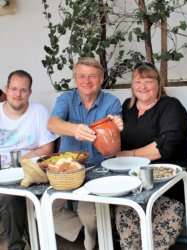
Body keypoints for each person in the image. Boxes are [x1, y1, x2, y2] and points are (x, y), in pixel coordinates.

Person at [114, 62, 187, 249]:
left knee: (157, 237)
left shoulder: (171, 106)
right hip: (135, 183)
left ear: (158, 84)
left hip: (170, 182)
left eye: (149, 80)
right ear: (132, 86)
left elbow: (163, 146)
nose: (143, 86)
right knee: (128, 229)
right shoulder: (127, 107)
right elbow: (116, 141)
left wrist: (129, 155)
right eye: (137, 81)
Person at [47, 57, 123, 250]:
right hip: (68, 171)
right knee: (44, 210)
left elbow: (115, 141)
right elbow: (52, 123)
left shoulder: (111, 102)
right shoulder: (66, 98)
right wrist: (73, 129)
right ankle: (83, 231)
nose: (86, 81)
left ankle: (91, 232)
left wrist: (117, 127)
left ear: (101, 79)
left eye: (92, 76)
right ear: (75, 79)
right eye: (81, 76)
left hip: (99, 170)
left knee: (90, 215)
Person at [0, 70, 58, 250]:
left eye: (23, 90)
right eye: (14, 89)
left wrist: (16, 161)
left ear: (30, 93)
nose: (18, 94)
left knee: (9, 197)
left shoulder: (38, 111)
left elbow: (47, 149)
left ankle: (15, 247)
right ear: (6, 89)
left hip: (28, 171)